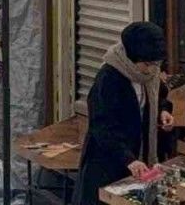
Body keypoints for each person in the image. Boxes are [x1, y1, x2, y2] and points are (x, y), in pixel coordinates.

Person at [73, 21, 174, 205]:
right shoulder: (109, 78)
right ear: (132, 58)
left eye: (156, 63)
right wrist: (128, 159)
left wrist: (163, 111)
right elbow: (102, 126)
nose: (152, 69)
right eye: (147, 64)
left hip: (139, 158)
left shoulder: (150, 76)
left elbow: (159, 96)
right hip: (108, 163)